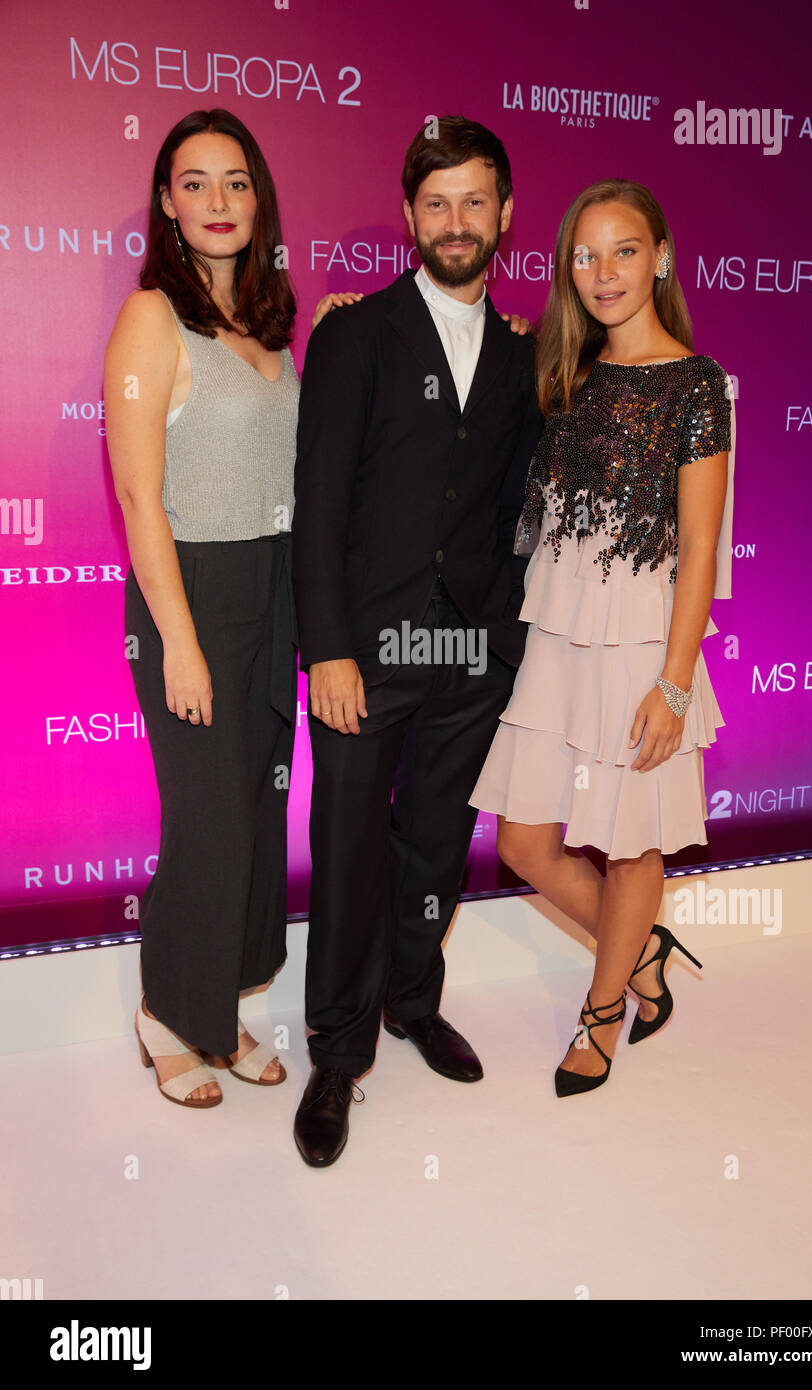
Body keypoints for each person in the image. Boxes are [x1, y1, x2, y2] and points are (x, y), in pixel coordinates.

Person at [291, 115, 544, 1165]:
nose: (455, 221)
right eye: (435, 203)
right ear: (408, 217)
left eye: (473, 201)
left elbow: (516, 508)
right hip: (368, 654)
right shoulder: (354, 334)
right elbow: (316, 505)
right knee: (349, 856)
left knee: (434, 848)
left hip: (469, 659)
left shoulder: (529, 353)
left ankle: (410, 1000)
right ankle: (337, 1055)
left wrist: (504, 639)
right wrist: (329, 649)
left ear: (504, 215)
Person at [470, 178, 735, 1096]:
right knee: (524, 842)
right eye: (585, 254)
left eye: (624, 250)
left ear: (660, 257)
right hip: (556, 634)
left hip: (639, 648)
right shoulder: (560, 366)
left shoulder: (697, 385)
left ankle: (602, 1009)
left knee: (631, 844)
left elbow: (700, 547)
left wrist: (673, 684)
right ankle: (642, 948)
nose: (604, 271)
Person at [105, 108, 313, 1108]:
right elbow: (142, 496)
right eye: (195, 182)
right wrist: (178, 642)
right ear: (166, 201)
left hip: (272, 593)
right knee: (209, 818)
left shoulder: (271, 323)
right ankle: (165, 1015)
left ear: (258, 198)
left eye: (236, 182)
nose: (219, 202)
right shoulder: (152, 316)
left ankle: (221, 1003)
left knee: (258, 812)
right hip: (190, 592)